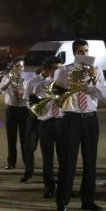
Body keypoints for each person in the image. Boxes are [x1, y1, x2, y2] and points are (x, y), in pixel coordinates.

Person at [53, 40, 106, 211]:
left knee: (90, 161)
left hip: (90, 117)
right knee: (68, 161)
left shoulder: (96, 70)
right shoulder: (64, 70)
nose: (84, 54)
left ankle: (88, 200)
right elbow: (56, 93)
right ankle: (63, 201)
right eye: (81, 51)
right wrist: (73, 87)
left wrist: (91, 82)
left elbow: (103, 94)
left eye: (86, 50)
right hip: (72, 118)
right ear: (75, 53)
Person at [32, 57, 64, 198]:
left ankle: (64, 186)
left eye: (60, 68)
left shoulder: (65, 85)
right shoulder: (40, 85)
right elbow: (32, 104)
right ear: (47, 70)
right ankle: (49, 186)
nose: (58, 71)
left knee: (65, 157)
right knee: (47, 158)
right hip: (46, 123)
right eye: (55, 68)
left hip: (63, 122)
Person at [0, 58, 35, 182]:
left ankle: (27, 162)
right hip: (12, 109)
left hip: (24, 110)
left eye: (22, 66)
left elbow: (32, 93)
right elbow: (0, 90)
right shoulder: (7, 77)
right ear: (13, 67)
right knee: (11, 137)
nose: (21, 69)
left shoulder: (28, 78)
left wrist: (22, 93)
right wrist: (9, 81)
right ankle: (11, 162)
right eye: (18, 66)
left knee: (25, 137)